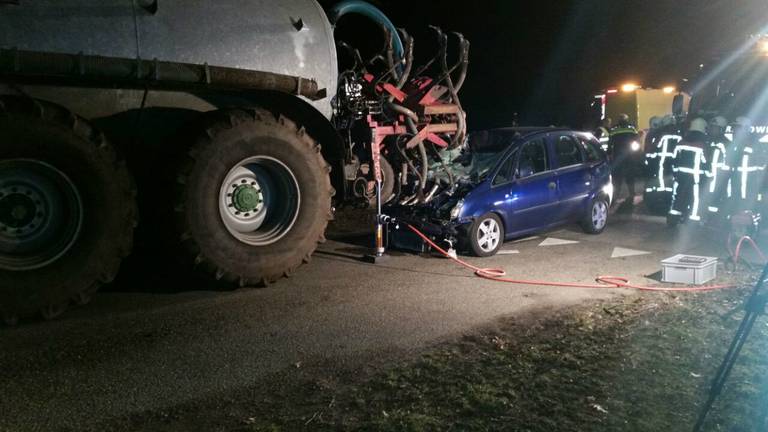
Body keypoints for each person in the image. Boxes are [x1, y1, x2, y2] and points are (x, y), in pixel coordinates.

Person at [669, 118, 708, 224]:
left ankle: (673, 217)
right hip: (694, 177)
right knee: (694, 198)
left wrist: (675, 172)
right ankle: (692, 218)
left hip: (680, 176)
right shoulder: (701, 144)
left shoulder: (681, 142)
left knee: (678, 196)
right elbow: (705, 161)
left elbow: (674, 157)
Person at [608, 113, 640, 208]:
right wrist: (637, 153)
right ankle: (631, 193)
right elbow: (637, 140)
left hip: (618, 156)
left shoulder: (614, 130)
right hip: (629, 155)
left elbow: (610, 143)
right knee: (629, 175)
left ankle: (616, 195)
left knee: (618, 177)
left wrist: (609, 153)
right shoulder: (631, 129)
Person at [703, 116, 731, 216]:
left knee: (715, 199)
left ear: (721, 129)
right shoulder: (707, 140)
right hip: (706, 176)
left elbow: (728, 162)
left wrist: (722, 176)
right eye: (712, 127)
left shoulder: (726, 143)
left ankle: (712, 217)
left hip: (717, 178)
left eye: (715, 128)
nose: (712, 130)